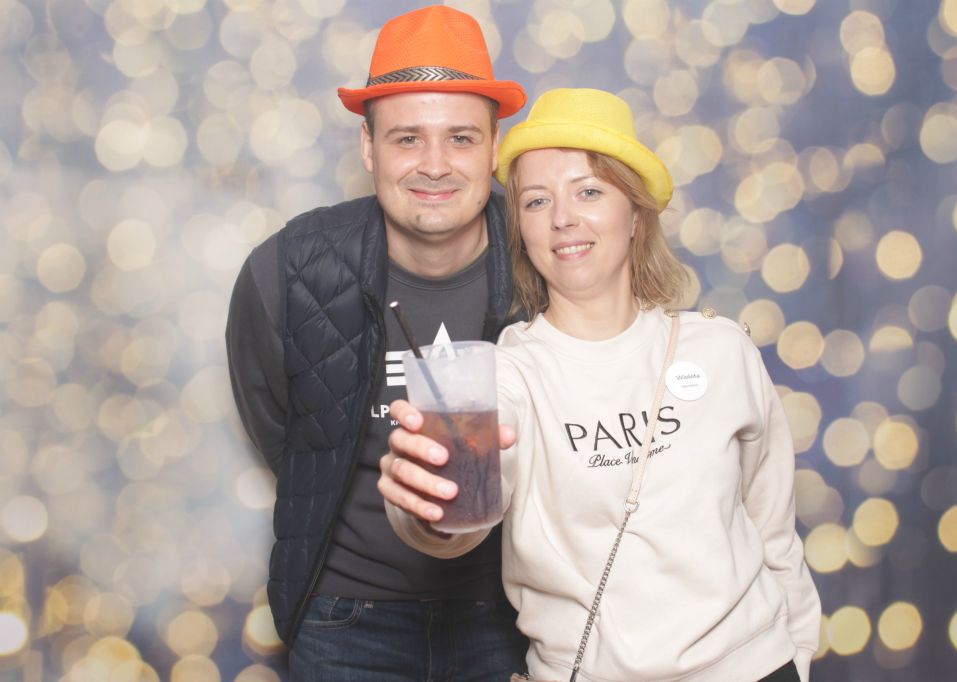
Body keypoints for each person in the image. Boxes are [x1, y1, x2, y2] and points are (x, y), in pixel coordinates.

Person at [379, 88, 822, 681]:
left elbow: (774, 531)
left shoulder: (721, 350)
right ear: (522, 230)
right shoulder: (505, 376)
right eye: (537, 201)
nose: (563, 218)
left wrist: (798, 655)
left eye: (588, 191)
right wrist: (425, 501)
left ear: (635, 214)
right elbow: (459, 519)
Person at [225, 6, 530, 679]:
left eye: (460, 138)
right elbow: (284, 436)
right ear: (368, 148)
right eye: (407, 139)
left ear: (494, 147)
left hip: (512, 612)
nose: (435, 166)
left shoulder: (547, 259)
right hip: (343, 619)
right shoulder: (287, 272)